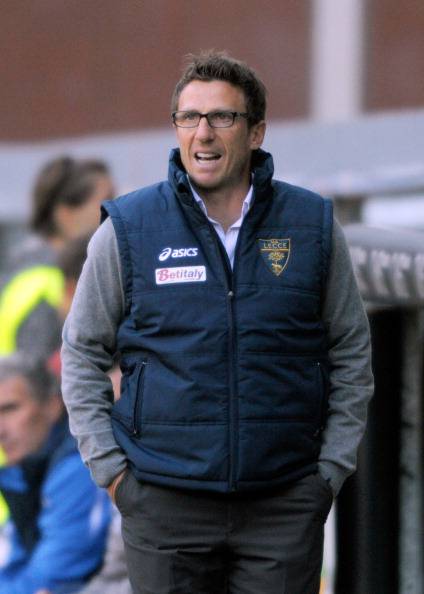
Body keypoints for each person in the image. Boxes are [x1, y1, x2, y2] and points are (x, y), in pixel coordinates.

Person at [61, 50, 374, 594]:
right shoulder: (129, 228)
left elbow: (350, 350)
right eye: (189, 117)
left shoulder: (312, 225)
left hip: (282, 505)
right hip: (163, 505)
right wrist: (113, 474)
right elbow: (82, 352)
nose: (202, 133)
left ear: (256, 133)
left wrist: (329, 472)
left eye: (222, 117)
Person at [0, 354, 111, 594]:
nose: (1, 430)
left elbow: (47, 581)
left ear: (52, 406)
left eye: (9, 409)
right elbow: (10, 563)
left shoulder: (79, 467)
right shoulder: (28, 470)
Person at [0, 156, 114, 359]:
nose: (116, 212)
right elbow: (36, 371)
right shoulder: (46, 284)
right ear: (66, 215)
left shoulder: (26, 269)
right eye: (106, 202)